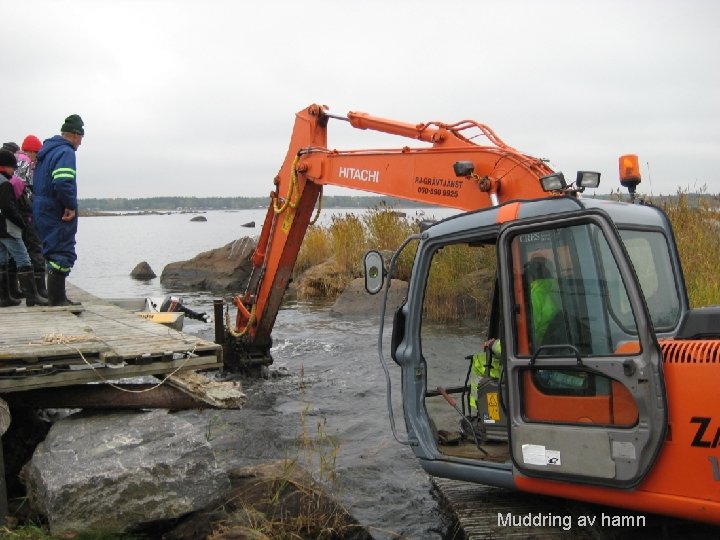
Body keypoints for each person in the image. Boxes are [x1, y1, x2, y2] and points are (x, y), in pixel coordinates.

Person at [32, 115, 84, 306]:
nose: (80, 143)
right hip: (55, 208)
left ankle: (55, 296)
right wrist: (70, 205)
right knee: (61, 250)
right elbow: (62, 181)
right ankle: (57, 298)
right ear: (75, 135)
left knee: (52, 249)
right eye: (81, 138)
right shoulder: (65, 152)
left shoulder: (46, 152)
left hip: (41, 206)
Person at [0, 150, 48, 307]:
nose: (14, 171)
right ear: (5, 167)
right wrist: (22, 223)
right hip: (8, 228)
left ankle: (4, 297)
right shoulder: (5, 184)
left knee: (2, 260)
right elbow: (8, 208)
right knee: (23, 259)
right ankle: (33, 296)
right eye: (12, 168)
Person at [11, 135, 47, 298]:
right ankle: (39, 290)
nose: (38, 158)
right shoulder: (25, 162)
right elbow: (27, 190)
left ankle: (17, 290)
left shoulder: (14, 159)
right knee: (34, 248)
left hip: (13, 215)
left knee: (15, 252)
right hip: (26, 214)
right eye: (37, 154)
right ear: (31, 151)